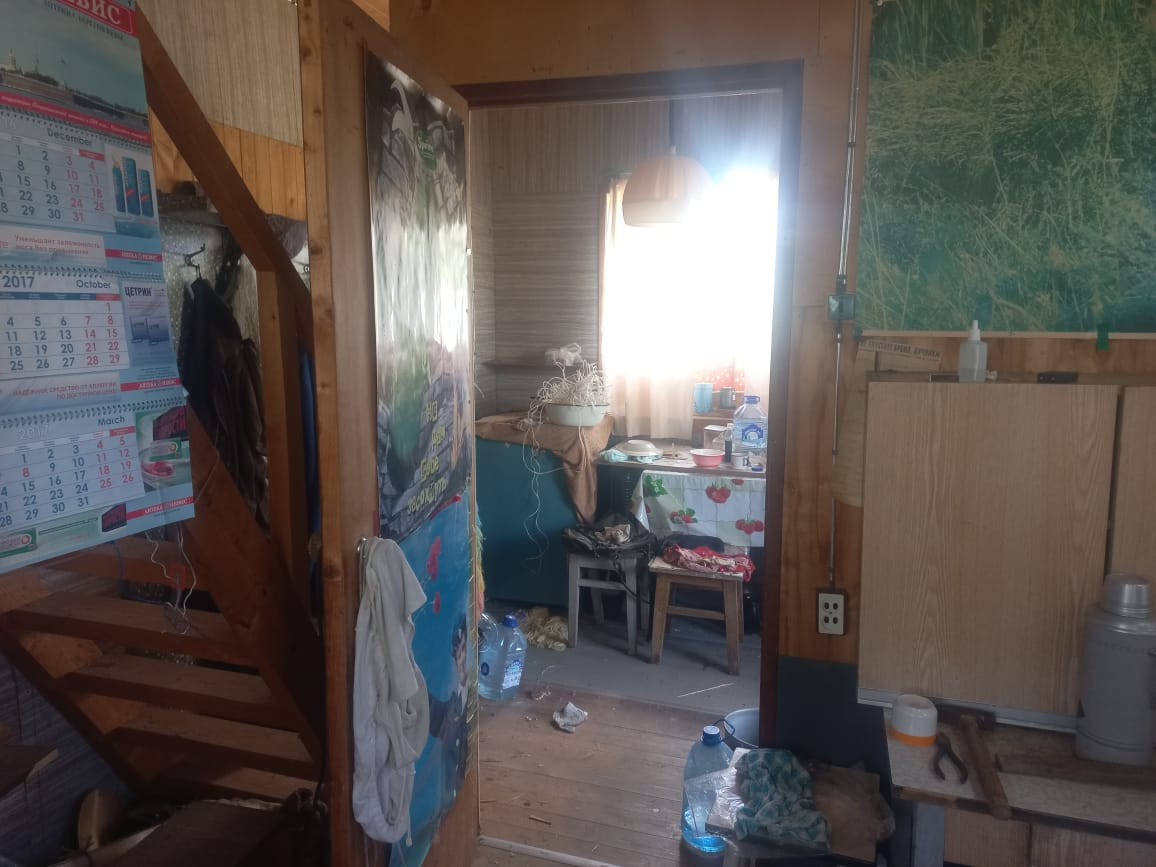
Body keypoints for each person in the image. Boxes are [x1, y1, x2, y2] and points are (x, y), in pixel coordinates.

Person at [428, 613, 469, 808]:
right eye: (456, 650)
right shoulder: (453, 703)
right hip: (449, 791)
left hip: (461, 790)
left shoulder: (466, 694)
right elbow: (436, 717)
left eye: (462, 648)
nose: (459, 655)